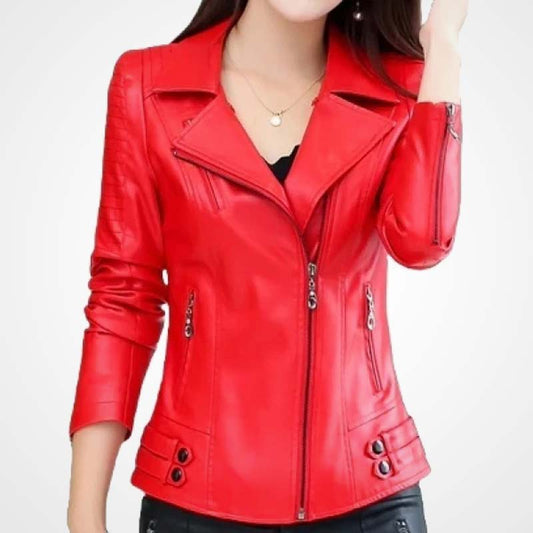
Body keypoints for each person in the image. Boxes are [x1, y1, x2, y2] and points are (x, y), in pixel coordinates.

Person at [67, 1, 467, 532]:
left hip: (368, 494)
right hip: (196, 498)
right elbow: (123, 299)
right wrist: (84, 515)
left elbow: (422, 240)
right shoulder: (147, 86)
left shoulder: (399, 88)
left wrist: (442, 45)